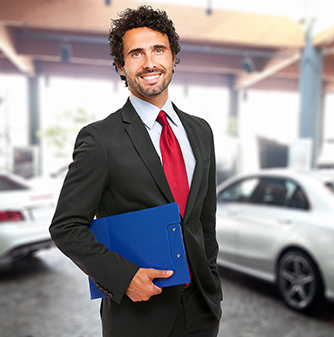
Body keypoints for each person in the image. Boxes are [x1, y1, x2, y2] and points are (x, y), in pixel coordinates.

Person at [49, 5, 222, 337]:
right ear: (121, 66)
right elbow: (66, 227)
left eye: (158, 50)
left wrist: (212, 283)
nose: (149, 62)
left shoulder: (201, 131)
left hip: (201, 310)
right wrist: (123, 277)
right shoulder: (100, 139)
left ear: (173, 58)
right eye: (136, 53)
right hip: (138, 316)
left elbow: (204, 221)